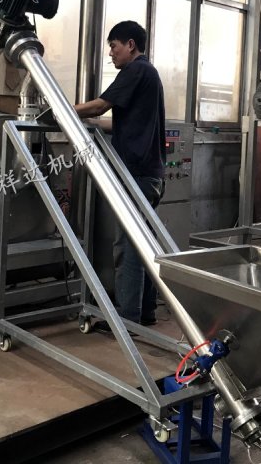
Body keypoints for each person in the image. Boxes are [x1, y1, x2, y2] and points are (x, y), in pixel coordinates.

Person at [74, 20, 166, 326]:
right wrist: (88, 123)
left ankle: (127, 319)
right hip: (149, 174)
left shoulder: (136, 70)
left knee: (128, 247)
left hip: (137, 175)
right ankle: (145, 312)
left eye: (114, 46)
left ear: (130, 45)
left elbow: (100, 106)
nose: (111, 53)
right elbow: (118, 122)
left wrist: (64, 109)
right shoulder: (148, 74)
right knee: (144, 245)